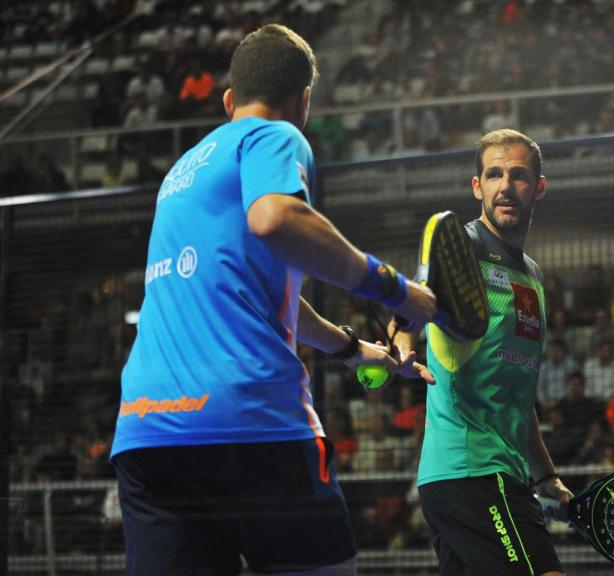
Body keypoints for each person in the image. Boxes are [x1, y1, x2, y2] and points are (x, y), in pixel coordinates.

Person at [110, 24, 436, 576]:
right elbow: (276, 218)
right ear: (303, 100)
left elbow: (266, 301)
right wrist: (396, 289)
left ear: (228, 99)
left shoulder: (180, 174)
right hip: (250, 422)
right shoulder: (274, 135)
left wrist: (355, 350)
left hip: (146, 433)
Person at [394, 129, 572, 576]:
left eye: (519, 175)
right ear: (477, 187)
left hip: (491, 474)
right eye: (494, 174)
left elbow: (516, 392)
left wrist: (544, 476)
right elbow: (415, 299)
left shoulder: (533, 276)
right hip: (471, 469)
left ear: (540, 187)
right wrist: (402, 342)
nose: (505, 186)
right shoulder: (464, 247)